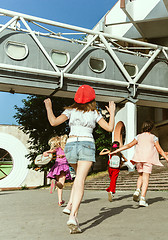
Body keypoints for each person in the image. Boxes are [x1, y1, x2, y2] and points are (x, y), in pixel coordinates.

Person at [44, 84, 115, 233]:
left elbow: (53, 122)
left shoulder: (70, 110)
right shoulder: (95, 113)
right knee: (80, 180)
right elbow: (109, 128)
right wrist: (112, 113)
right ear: (92, 99)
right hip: (86, 143)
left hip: (70, 145)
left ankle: (70, 204)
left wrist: (49, 107)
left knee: (77, 179)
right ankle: (73, 216)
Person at [110, 120, 168, 207]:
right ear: (151, 128)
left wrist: (117, 150)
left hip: (138, 159)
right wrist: (167, 160)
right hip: (148, 159)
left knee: (140, 176)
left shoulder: (138, 137)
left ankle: (137, 190)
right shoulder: (154, 137)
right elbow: (160, 150)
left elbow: (128, 145)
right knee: (146, 178)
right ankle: (142, 199)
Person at [43, 135, 72, 206]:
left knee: (60, 185)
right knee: (61, 184)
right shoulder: (67, 148)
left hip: (57, 166)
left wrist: (46, 153)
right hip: (64, 166)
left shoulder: (57, 148)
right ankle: (55, 183)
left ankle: (60, 201)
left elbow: (49, 151)